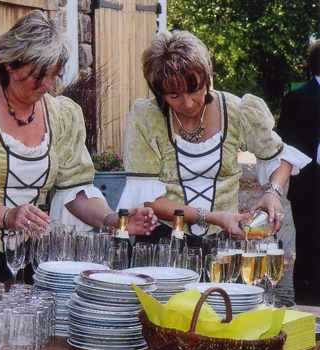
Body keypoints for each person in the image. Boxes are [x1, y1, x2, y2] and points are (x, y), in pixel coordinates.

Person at [0, 11, 156, 283]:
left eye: (54, 76)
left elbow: (75, 189)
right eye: (38, 77)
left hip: (31, 256)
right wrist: (9, 215)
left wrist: (111, 220)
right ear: (11, 65)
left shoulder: (61, 115)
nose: (47, 86)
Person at [118, 30, 311, 246]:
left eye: (195, 89)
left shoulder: (237, 111)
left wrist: (273, 192)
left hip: (223, 245)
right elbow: (147, 201)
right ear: (158, 91)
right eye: (174, 95)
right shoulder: (146, 117)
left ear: (207, 76)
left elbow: (280, 157)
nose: (188, 103)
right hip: (162, 245)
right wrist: (212, 217)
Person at [275, 40, 320, 305]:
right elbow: (283, 146)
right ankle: (308, 310)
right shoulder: (297, 98)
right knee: (309, 250)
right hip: (310, 189)